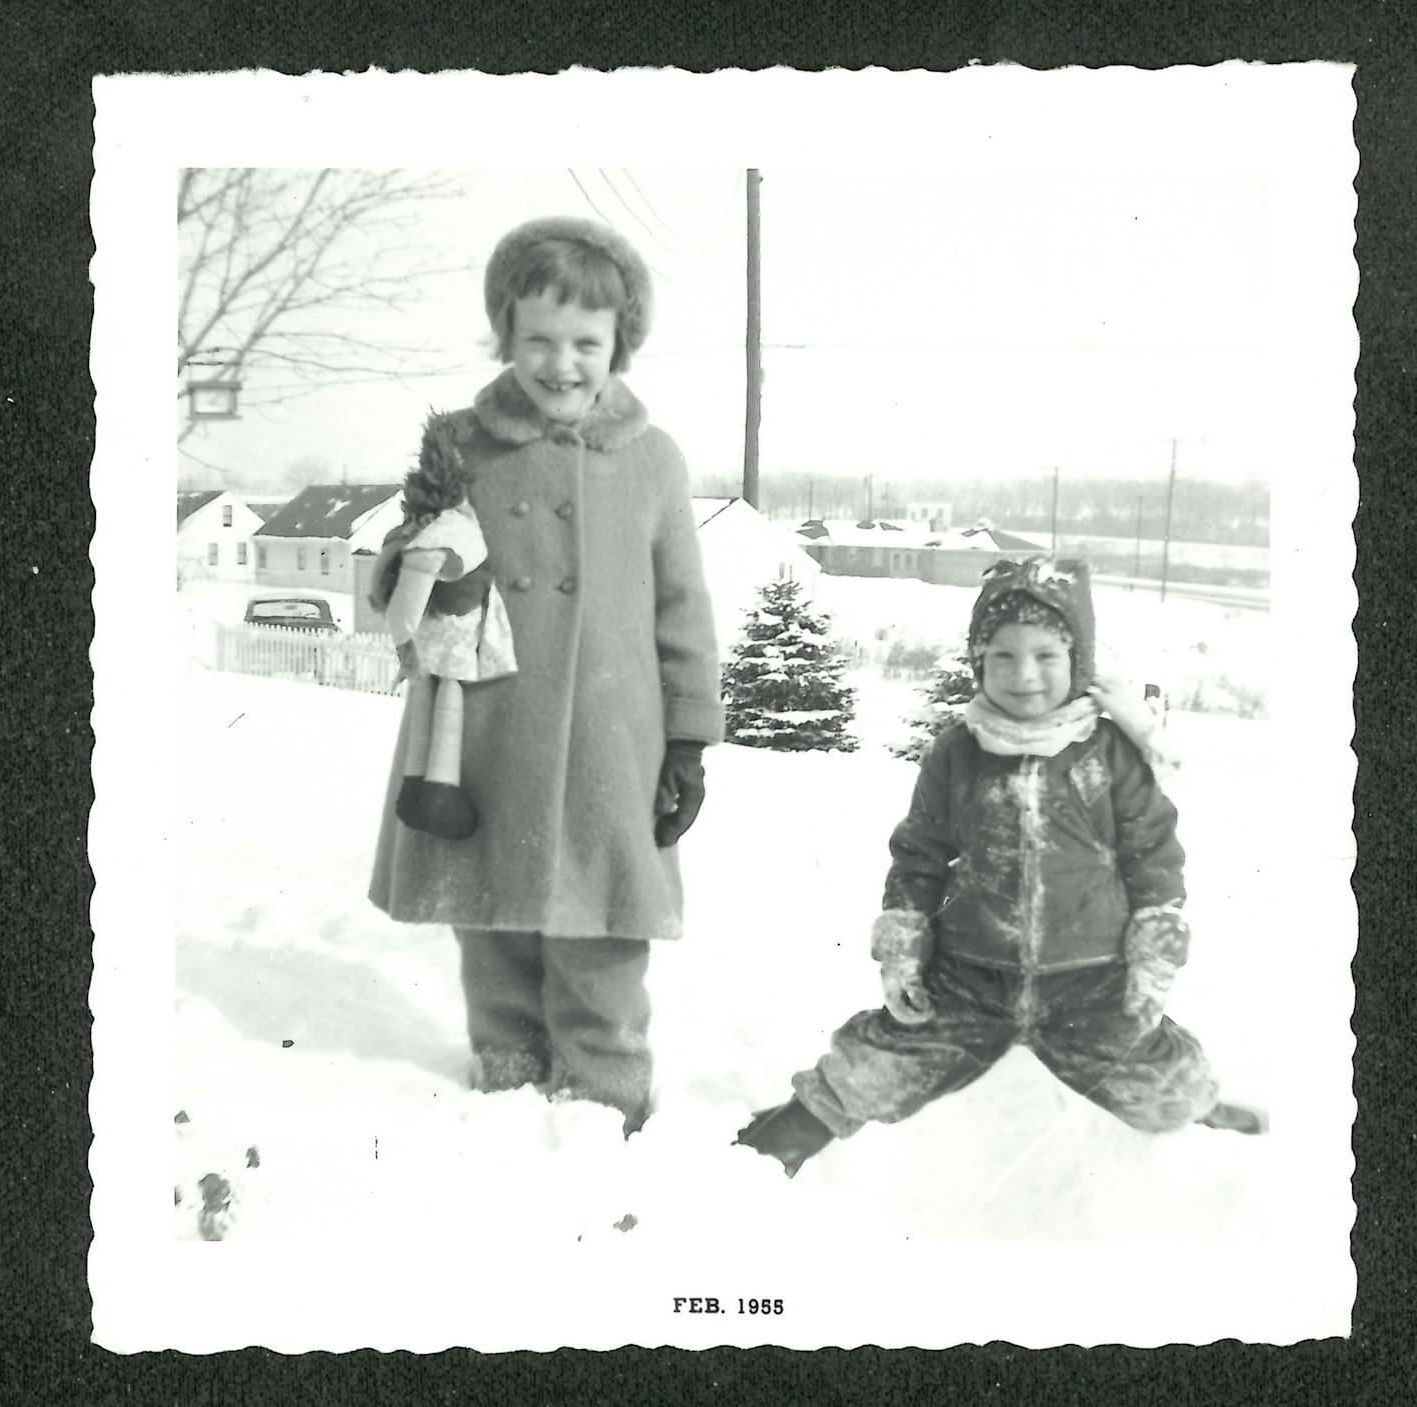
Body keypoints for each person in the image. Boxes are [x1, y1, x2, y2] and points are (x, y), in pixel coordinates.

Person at [736, 557, 1265, 1177]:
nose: (1025, 675)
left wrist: (1151, 958)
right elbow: (919, 856)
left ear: (1077, 664)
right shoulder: (958, 752)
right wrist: (906, 951)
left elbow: (1155, 859)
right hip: (969, 977)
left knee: (1160, 1080)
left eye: (1046, 655)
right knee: (877, 1065)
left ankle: (1211, 1121)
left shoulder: (1109, 753)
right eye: (1004, 656)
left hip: (1090, 981)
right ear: (979, 663)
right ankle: (774, 1147)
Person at [369, 217, 723, 1135]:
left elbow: (683, 604)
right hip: (481, 724)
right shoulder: (459, 445)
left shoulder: (652, 459)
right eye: (538, 339)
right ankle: (508, 1062)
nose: (560, 363)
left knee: (603, 918)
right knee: (489, 907)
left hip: (614, 730)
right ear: (505, 332)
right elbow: (401, 567)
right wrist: (415, 558)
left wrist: (687, 739)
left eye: (586, 343)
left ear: (621, 346)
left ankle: (605, 1094)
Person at [369, 415, 519, 840]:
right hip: (453, 631)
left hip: (434, 632)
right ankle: (439, 787)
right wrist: (403, 638)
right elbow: (408, 603)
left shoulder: (429, 525)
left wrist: (405, 641)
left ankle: (416, 788)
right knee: (448, 699)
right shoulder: (454, 530)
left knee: (427, 697)